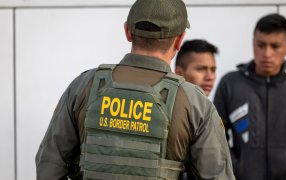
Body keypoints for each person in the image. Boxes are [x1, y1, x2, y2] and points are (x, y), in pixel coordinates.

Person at [35, 0, 235, 179]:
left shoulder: (83, 86)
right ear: (179, 39)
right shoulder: (194, 102)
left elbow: (49, 164)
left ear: (127, 31)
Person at [213, 13, 286, 180]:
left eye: (275, 46)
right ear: (253, 43)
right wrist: (236, 167)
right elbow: (215, 134)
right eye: (260, 45)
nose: (267, 53)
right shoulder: (230, 83)